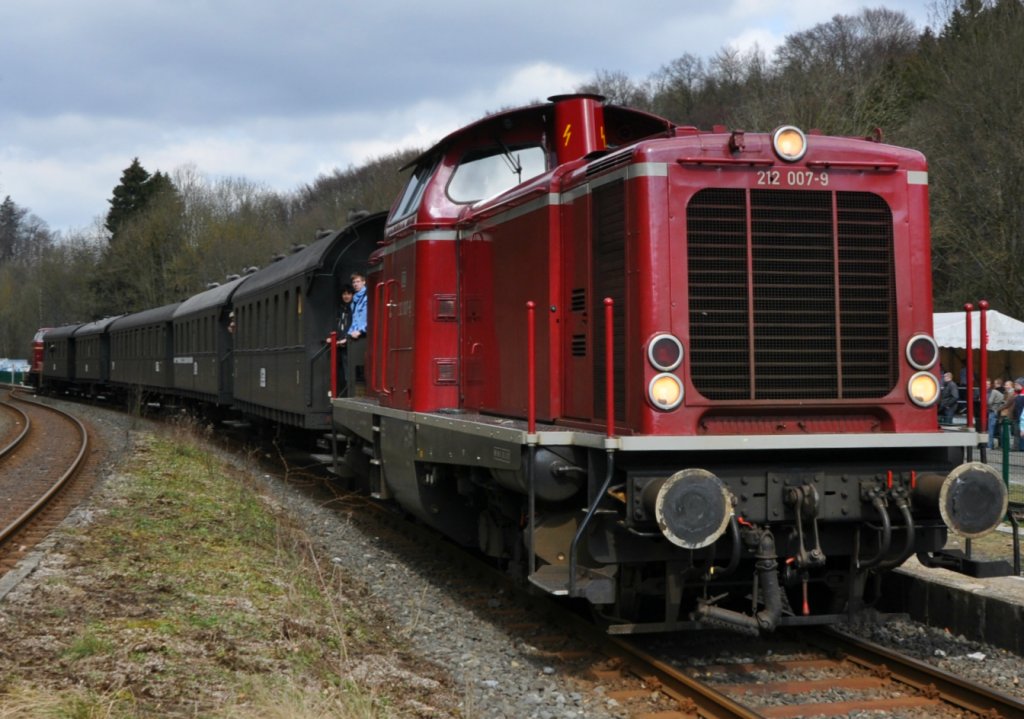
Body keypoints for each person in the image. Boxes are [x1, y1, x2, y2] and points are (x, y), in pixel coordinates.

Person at [335, 285, 354, 396]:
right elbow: (339, 325)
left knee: (349, 370)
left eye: (348, 294)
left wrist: (346, 338)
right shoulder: (341, 309)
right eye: (344, 294)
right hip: (342, 344)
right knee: (344, 370)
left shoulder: (352, 308)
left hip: (350, 343)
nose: (346, 296)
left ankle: (349, 393)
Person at [987, 379, 1005, 449]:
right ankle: (1002, 446)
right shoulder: (1004, 392)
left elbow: (989, 402)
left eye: (994, 383)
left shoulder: (994, 391)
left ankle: (990, 446)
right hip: (1000, 412)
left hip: (993, 411)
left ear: (997, 384)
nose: (993, 385)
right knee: (1001, 430)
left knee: (991, 429)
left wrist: (988, 405)